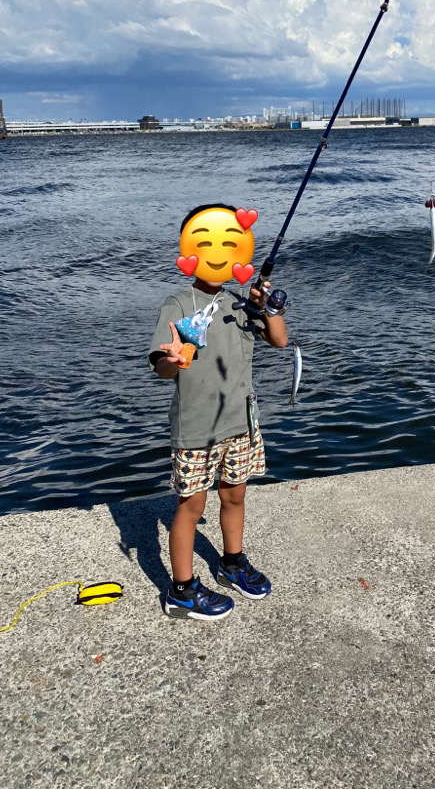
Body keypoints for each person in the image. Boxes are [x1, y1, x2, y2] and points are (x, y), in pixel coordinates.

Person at [148, 204, 288, 621]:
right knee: (191, 507)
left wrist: (269, 308)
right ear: (188, 251)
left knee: (235, 495)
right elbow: (161, 367)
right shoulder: (177, 304)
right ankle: (182, 589)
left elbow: (279, 341)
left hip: (239, 424)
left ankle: (231, 562)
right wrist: (176, 359)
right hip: (195, 429)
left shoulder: (242, 304)